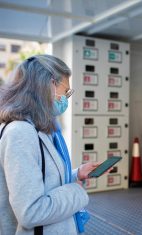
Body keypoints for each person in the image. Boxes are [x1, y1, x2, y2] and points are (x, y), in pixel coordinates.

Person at [0, 55, 103, 234]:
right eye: (66, 92)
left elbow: (40, 182)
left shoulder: (37, 129)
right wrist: (76, 191)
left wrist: (76, 174)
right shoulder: (20, 133)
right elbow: (31, 212)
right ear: (49, 85)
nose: (66, 99)